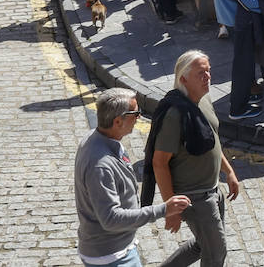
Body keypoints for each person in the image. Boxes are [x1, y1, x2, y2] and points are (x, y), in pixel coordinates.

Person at [145, 51, 242, 266]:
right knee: (216, 252)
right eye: (201, 73)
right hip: (196, 197)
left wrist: (229, 171)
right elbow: (159, 163)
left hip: (213, 190)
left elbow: (212, 141)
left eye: (208, 70)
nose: (207, 76)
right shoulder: (174, 115)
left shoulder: (204, 98)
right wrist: (171, 207)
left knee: (203, 244)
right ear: (183, 79)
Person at [75, 87, 190, 267]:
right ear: (118, 121)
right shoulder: (100, 165)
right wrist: (163, 209)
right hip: (111, 257)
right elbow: (111, 219)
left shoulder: (97, 138)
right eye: (135, 113)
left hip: (117, 248)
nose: (139, 118)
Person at [210, 0, 264, 120]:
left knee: (246, 62)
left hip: (236, 20)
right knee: (242, 64)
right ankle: (238, 109)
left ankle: (245, 96)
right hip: (238, 21)